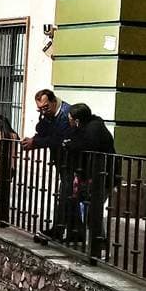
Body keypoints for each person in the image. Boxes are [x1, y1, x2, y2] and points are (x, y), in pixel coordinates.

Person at [21, 89, 72, 239]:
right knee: (68, 196)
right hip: (62, 162)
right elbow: (43, 131)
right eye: (40, 109)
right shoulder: (49, 115)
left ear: (53, 101)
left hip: (72, 162)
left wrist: (35, 142)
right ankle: (72, 232)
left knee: (66, 195)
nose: (43, 111)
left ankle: (58, 230)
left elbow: (58, 139)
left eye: (46, 107)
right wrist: (42, 119)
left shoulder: (65, 114)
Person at [62, 103, 116, 244]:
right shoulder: (87, 127)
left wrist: (69, 145)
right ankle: (89, 240)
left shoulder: (94, 128)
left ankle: (100, 245)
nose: (69, 122)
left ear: (77, 120)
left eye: (70, 119)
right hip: (93, 175)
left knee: (93, 211)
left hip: (102, 175)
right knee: (88, 209)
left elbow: (86, 144)